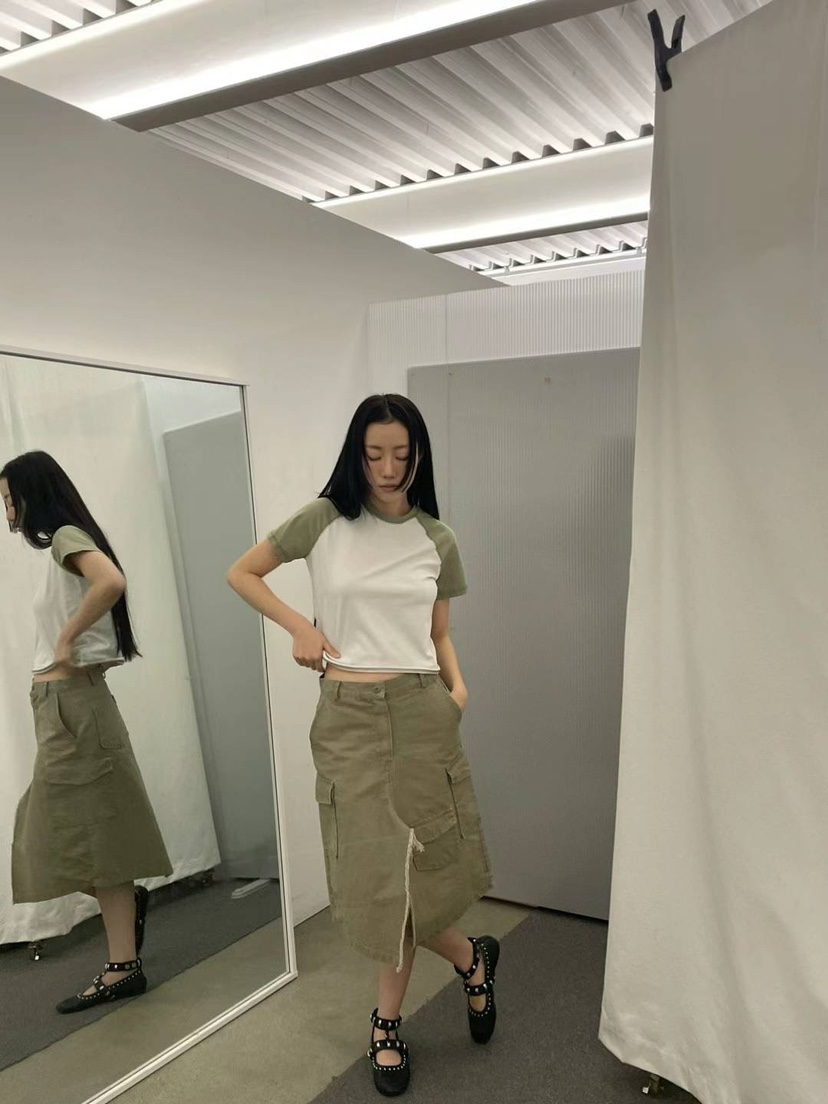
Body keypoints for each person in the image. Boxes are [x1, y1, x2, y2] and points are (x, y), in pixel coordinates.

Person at [228, 394, 497, 1097]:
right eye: (374, 453)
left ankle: (385, 1025)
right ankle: (471, 960)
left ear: (418, 455)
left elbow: (438, 634)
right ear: (356, 452)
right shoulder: (324, 520)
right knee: (372, 877)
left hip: (421, 709)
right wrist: (300, 626)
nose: (386, 468)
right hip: (347, 716)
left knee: (417, 872)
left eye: (401, 455)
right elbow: (243, 572)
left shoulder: (437, 538)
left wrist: (457, 691)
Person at [1, 451, 172, 1015]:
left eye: (10, 499)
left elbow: (111, 581)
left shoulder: (65, 538)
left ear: (33, 495)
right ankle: (125, 923)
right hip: (62, 709)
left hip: (73, 708)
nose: (8, 513)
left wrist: (67, 638)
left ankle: (123, 964)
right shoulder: (64, 545)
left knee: (74, 840)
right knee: (57, 839)